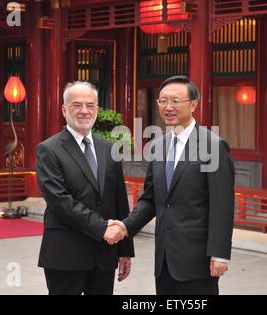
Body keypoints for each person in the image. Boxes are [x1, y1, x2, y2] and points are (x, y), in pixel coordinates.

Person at [107, 75, 235, 295]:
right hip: (164, 259)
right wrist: (125, 226)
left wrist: (219, 254)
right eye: (162, 101)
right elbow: (150, 198)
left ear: (193, 104)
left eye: (175, 101)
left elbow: (222, 205)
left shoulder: (213, 145)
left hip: (198, 260)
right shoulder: (157, 146)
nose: (168, 107)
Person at [35, 81, 134, 295]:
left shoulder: (109, 149)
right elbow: (59, 200)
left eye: (90, 105)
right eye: (76, 105)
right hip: (65, 254)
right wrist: (102, 228)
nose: (84, 111)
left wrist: (125, 250)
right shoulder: (49, 150)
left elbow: (119, 201)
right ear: (64, 110)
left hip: (104, 255)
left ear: (97, 110)